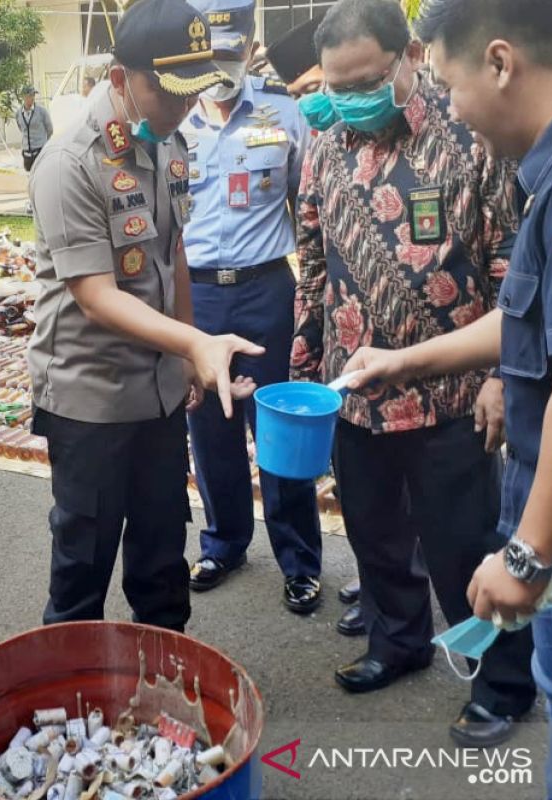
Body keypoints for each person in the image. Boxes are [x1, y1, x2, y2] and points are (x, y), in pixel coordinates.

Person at [347, 0, 552, 792]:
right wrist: (405, 360)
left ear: (498, 62)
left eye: (448, 84)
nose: (449, 109)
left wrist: (526, 554)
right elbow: (530, 319)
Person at [292, 0, 536, 747]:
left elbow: (512, 261)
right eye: (337, 86)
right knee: (374, 534)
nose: (351, 99)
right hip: (354, 393)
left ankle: (503, 682)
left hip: (452, 394)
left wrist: (500, 374)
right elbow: (311, 262)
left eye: (366, 81)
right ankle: (396, 643)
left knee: (465, 544)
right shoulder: (325, 140)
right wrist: (303, 364)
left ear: (407, 59)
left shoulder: (468, 136)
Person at [28, 0, 264, 633]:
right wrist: (193, 341)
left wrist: (192, 356)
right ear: (120, 79)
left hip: (156, 394)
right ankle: (67, 704)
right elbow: (96, 295)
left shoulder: (169, 145)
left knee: (163, 556)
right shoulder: (70, 162)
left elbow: (173, 253)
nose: (183, 107)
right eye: (169, 94)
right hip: (91, 399)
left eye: (192, 93)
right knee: (84, 560)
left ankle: (163, 685)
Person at [177, 0, 324, 615]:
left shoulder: (283, 113)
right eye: (210, 54)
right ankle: (225, 541)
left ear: (248, 47)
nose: (221, 64)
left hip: (267, 290)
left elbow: (310, 211)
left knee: (279, 427)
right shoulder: (175, 123)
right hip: (198, 292)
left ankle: (299, 561)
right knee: (210, 426)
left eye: (231, 51)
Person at [266, 12, 368, 637]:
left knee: (409, 480)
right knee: (354, 467)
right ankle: (380, 582)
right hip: (337, 335)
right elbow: (311, 254)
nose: (314, 105)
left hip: (421, 353)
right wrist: (305, 348)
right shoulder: (321, 148)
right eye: (302, 95)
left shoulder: (440, 138)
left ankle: (398, 576)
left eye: (320, 89)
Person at [16, 86, 53, 173]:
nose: (32, 98)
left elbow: (50, 129)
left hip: (40, 149)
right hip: (27, 152)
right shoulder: (18, 113)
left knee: (42, 174)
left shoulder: (42, 111)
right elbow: (21, 128)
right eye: (30, 95)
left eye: (33, 95)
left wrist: (44, 143)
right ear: (24, 97)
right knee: (30, 176)